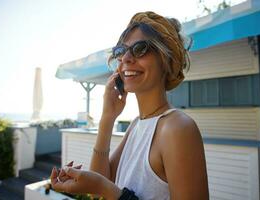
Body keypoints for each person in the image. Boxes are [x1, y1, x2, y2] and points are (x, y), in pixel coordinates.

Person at [51, 11, 209, 200]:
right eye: (121, 51)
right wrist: (107, 118)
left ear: (166, 60)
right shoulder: (137, 125)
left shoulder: (177, 128)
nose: (126, 58)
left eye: (140, 49)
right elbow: (97, 190)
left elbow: (103, 186)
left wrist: (106, 188)